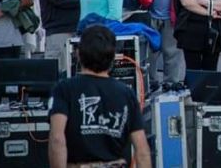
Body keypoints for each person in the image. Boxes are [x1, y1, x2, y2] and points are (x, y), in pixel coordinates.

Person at [48, 25, 151, 168]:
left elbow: (57, 139)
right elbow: (142, 150)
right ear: (113, 57)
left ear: (78, 54)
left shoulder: (64, 89)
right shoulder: (126, 93)